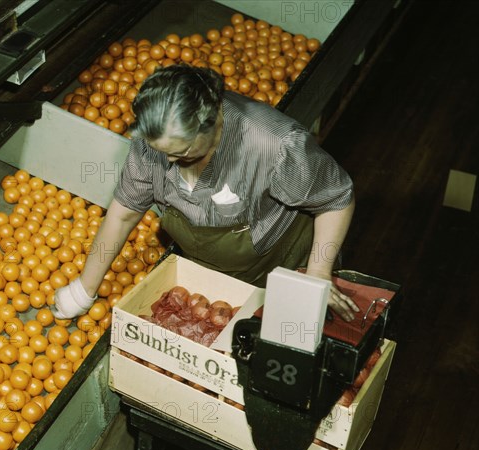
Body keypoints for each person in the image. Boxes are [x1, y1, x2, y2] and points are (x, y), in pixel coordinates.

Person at [54, 64, 359, 322]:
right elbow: (123, 215)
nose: (168, 161)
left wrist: (318, 270)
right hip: (210, 269)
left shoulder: (272, 145)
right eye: (160, 151)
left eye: (182, 152)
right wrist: (84, 289)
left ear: (213, 122)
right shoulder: (155, 142)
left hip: (280, 259)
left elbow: (336, 199)